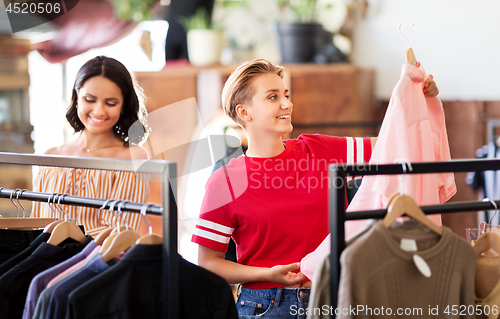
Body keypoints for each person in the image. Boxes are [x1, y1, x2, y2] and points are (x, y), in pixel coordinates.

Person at [191, 58, 439, 318]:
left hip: (336, 296)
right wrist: (267, 273)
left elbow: (392, 143)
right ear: (244, 112)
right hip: (266, 306)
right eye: (273, 97)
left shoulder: (319, 149)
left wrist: (416, 101)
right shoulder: (225, 181)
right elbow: (208, 264)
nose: (287, 103)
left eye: (286, 94)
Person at [31, 56, 150, 237]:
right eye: (90, 99)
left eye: (111, 103)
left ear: (123, 106)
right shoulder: (50, 157)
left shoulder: (133, 157)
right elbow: (35, 225)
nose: (99, 111)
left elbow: (121, 233)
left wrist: (62, 237)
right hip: (44, 260)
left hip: (101, 262)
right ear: (76, 97)